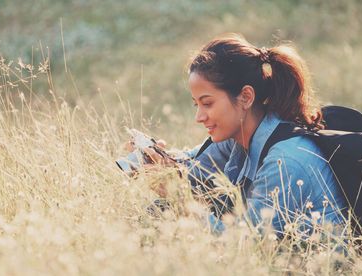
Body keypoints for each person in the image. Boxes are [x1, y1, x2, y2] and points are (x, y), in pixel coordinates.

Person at [143, 33, 347, 235]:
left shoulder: (284, 161)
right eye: (196, 104)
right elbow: (193, 167)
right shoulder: (238, 137)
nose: (199, 117)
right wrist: (153, 161)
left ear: (246, 97)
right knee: (160, 208)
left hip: (316, 264)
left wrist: (181, 199)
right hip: (281, 257)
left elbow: (242, 245)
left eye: (207, 103)